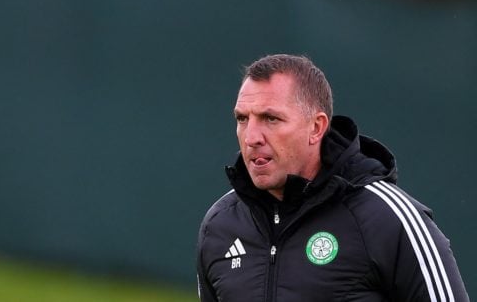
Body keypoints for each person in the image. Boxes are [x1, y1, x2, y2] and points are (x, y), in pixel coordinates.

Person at [196, 53, 469, 301]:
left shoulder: (388, 220)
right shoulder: (220, 226)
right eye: (243, 119)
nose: (252, 137)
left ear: (316, 128)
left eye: (271, 119)